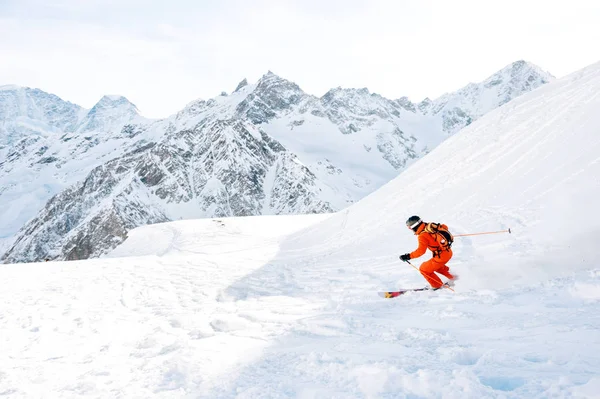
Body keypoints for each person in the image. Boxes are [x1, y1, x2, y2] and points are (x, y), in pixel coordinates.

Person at [399, 215, 457, 290]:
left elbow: (421, 251)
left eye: (410, 227)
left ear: (415, 226)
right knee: (437, 267)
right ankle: (454, 278)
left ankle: (437, 286)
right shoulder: (429, 227)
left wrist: (408, 256)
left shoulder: (422, 235)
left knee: (424, 269)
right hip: (447, 252)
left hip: (441, 256)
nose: (410, 229)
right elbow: (444, 227)